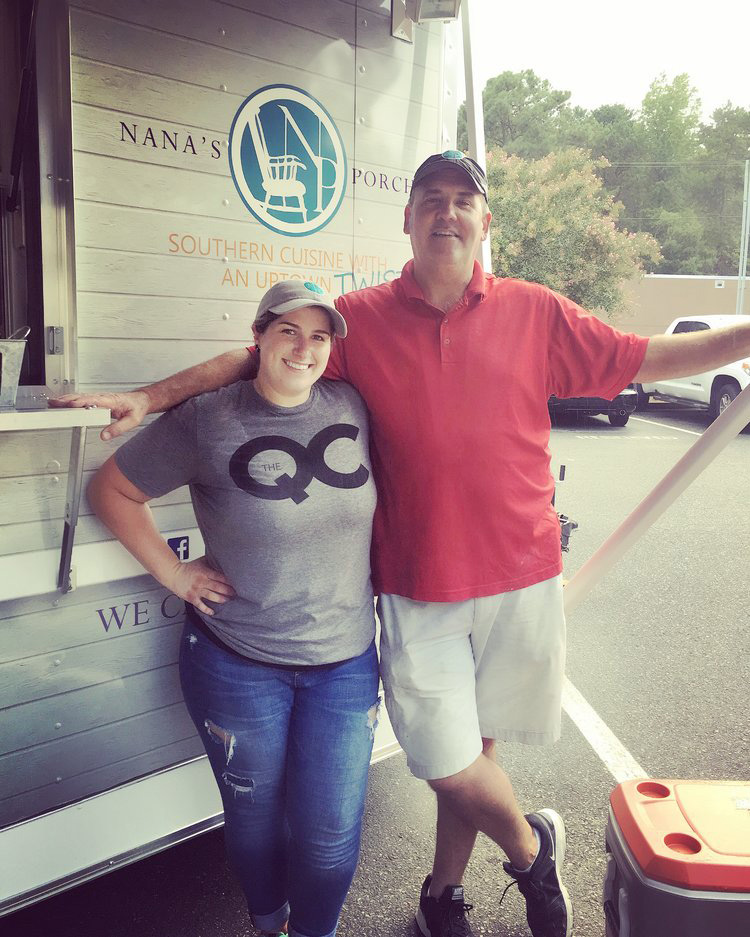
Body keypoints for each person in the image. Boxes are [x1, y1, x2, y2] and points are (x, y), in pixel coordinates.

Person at [56, 151, 750, 937]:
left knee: (476, 751)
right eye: (431, 199)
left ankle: (442, 894)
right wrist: (149, 398)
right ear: (409, 217)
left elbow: (647, 356)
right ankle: (531, 848)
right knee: (444, 758)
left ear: (485, 222)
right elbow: (250, 361)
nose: (447, 212)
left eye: (464, 200)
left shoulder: (535, 309)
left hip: (521, 574)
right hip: (417, 585)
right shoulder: (362, 320)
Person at [85, 281, 380, 937]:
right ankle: (266, 920)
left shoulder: (352, 403)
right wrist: (173, 571)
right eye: (288, 332)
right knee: (253, 818)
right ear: (258, 337)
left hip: (345, 664)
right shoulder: (209, 418)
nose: (304, 349)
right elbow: (111, 489)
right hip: (236, 664)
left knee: (330, 837)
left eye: (319, 336)